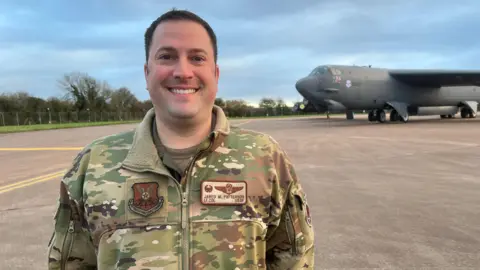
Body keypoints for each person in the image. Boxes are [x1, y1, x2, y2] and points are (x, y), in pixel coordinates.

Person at [47, 8, 314, 269]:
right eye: (166, 57)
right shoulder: (94, 164)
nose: (183, 71)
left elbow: (294, 258)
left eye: (197, 58)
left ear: (216, 74)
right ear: (147, 72)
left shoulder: (265, 158)